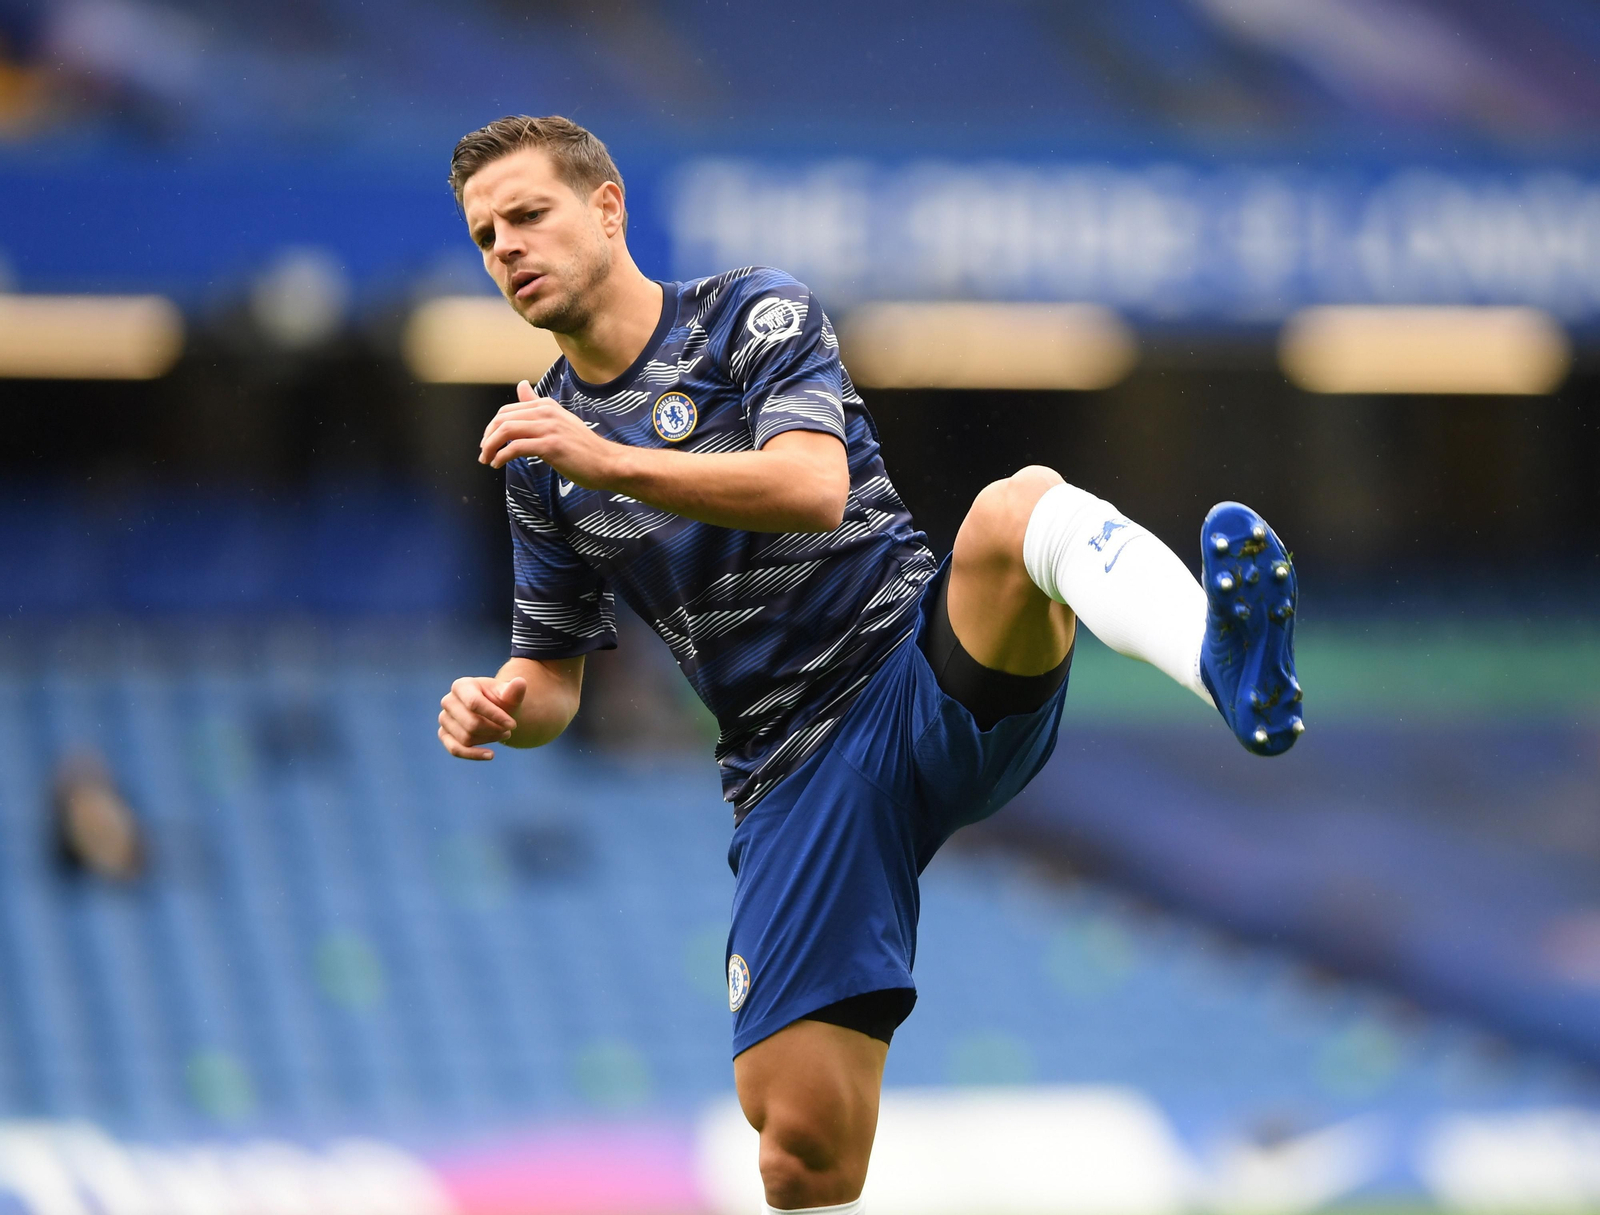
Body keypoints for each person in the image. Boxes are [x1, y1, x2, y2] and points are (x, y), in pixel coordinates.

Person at [435, 115, 1302, 1213]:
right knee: (802, 1153)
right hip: (792, 772)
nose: (507, 247)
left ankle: (1216, 660)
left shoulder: (750, 312)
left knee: (1016, 509)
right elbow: (553, 680)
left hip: (916, 668)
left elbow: (812, 488)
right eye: (485, 236)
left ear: (606, 208)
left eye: (527, 214)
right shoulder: (541, 456)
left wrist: (613, 459)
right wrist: (502, 706)